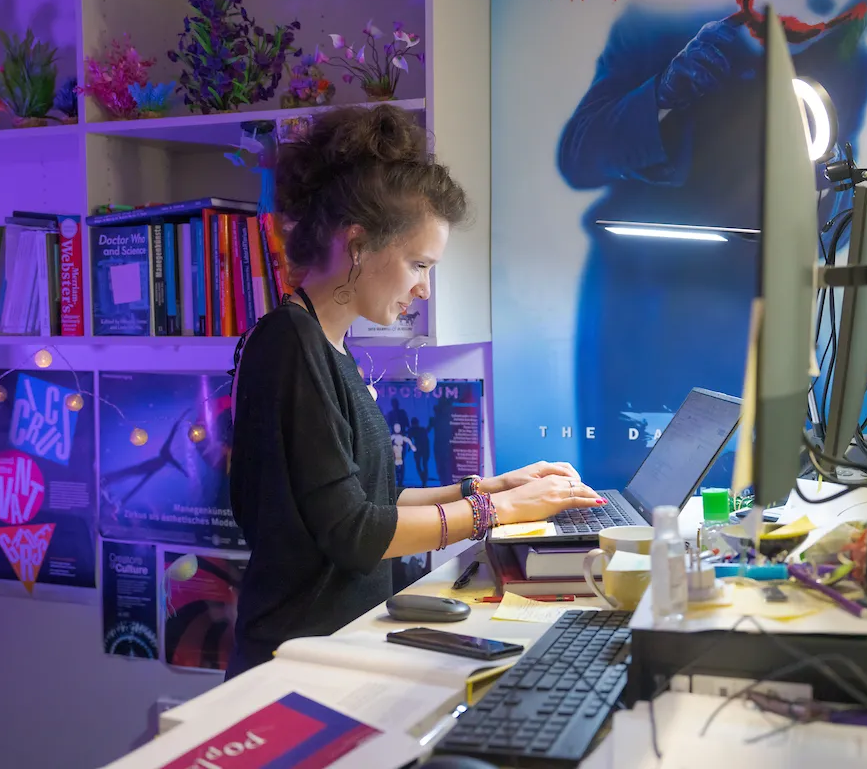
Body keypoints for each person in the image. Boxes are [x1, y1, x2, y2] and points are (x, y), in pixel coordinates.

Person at [227, 105, 605, 679]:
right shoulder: (290, 346)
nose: (424, 288)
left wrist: (488, 487)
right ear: (357, 244)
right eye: (418, 264)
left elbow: (366, 501)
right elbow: (355, 534)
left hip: (337, 647)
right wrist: (496, 511)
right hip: (293, 662)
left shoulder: (326, 344)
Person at [557, 0, 867, 489]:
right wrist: (663, 94)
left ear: (844, 14)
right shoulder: (657, 25)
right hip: (638, 298)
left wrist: (826, 196)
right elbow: (578, 157)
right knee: (621, 488)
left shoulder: (844, 66)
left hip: (741, 308)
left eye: (821, 1)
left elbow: (830, 209)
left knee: (735, 491)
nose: (794, 5)